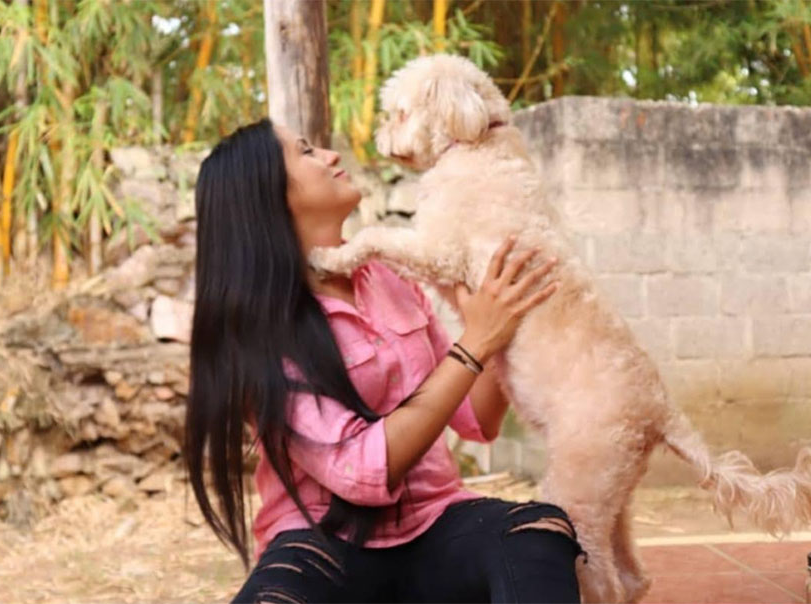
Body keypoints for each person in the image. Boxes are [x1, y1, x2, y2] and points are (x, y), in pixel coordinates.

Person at [185, 117, 584, 603]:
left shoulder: (388, 277)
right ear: (267, 193)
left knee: (537, 533)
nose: (331, 155)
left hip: (434, 524)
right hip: (322, 545)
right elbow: (361, 471)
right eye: (307, 151)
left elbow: (477, 419)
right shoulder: (255, 329)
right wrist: (477, 341)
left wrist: (508, 313)